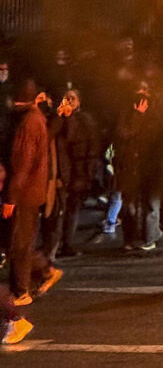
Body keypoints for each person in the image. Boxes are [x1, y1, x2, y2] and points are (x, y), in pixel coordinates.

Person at [4, 81, 63, 305]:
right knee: (20, 240)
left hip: (24, 193)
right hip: (31, 191)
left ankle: (21, 291)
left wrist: (11, 197)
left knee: (19, 243)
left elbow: (23, 163)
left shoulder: (27, 122)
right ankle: (44, 271)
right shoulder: (35, 118)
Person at [41, 89, 100, 258]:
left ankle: (67, 243)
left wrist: (89, 173)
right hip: (60, 172)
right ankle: (51, 246)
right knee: (56, 211)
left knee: (71, 210)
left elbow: (81, 142)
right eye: (66, 98)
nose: (69, 102)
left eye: (73, 98)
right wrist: (60, 117)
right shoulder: (55, 119)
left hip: (77, 172)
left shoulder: (84, 121)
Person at [113, 86, 163, 251]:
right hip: (130, 166)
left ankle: (149, 237)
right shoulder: (126, 114)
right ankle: (131, 238)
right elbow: (123, 133)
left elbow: (155, 138)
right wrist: (137, 116)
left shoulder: (155, 115)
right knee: (130, 204)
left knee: (149, 203)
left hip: (148, 165)